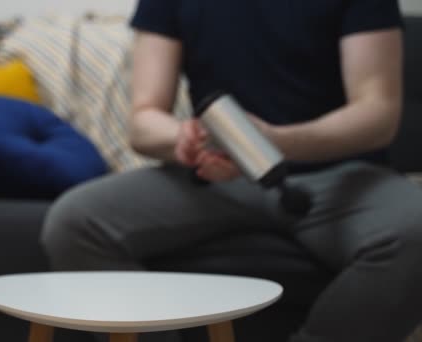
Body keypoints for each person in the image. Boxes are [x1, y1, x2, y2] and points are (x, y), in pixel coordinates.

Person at [41, 0, 422, 341]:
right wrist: (184, 140)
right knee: (75, 222)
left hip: (339, 176)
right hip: (216, 179)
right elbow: (143, 123)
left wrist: (273, 141)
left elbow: (377, 115)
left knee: (416, 231)